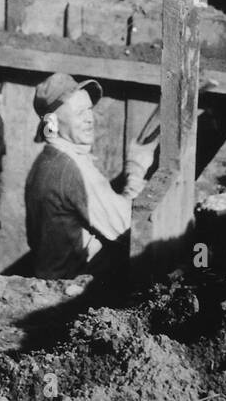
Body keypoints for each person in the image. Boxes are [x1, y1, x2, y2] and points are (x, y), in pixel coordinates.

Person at [24, 72, 158, 282]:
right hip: (70, 291)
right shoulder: (71, 169)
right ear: (53, 123)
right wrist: (136, 170)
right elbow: (131, 228)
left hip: (50, 279)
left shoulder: (46, 161)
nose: (89, 118)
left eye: (89, 110)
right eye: (79, 113)